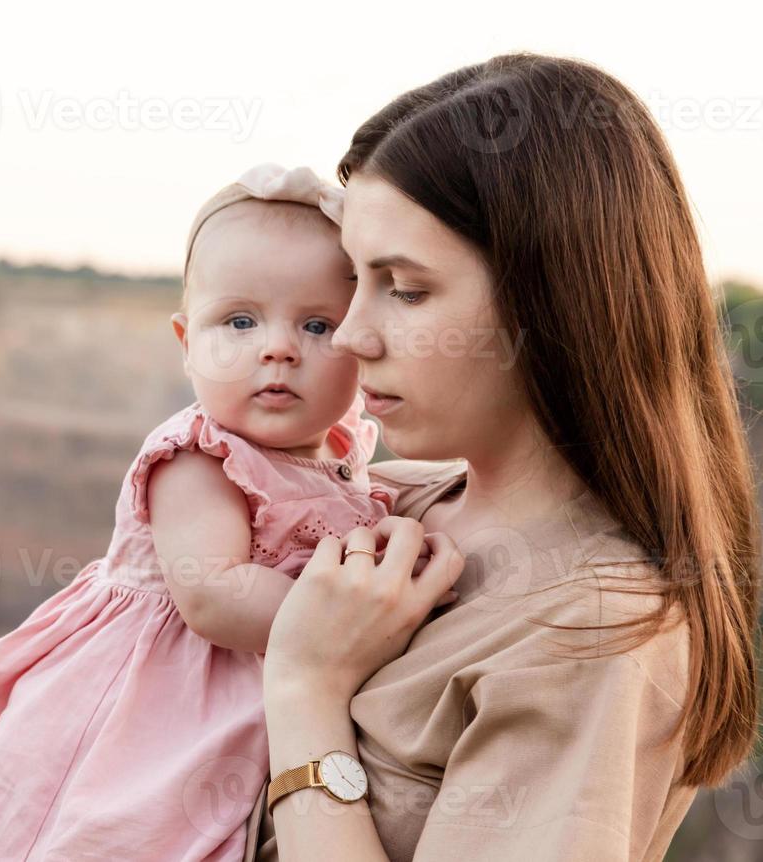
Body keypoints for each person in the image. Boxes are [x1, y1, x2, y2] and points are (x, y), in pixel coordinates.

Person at [243, 53, 760, 861]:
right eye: (353, 280)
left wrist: (305, 690)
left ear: (551, 302)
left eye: (404, 289)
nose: (350, 333)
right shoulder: (379, 500)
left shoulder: (592, 627)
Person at [0, 163, 423, 860]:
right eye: (239, 321)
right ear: (188, 344)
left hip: (250, 705)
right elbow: (214, 593)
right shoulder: (197, 456)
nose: (277, 346)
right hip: (155, 702)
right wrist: (369, 621)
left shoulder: (344, 458)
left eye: (317, 324)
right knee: (111, 831)